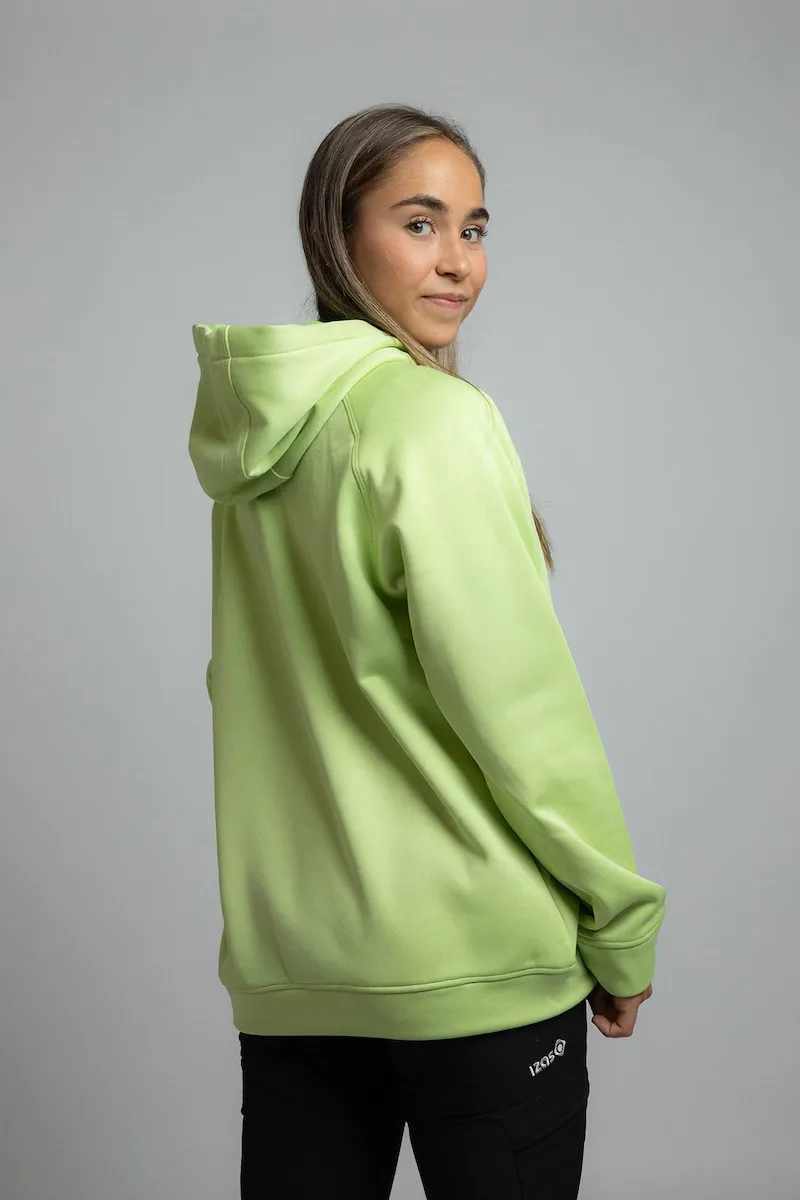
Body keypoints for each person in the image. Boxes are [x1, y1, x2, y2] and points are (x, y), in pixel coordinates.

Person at [188, 102, 667, 1200]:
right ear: (336, 235)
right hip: (476, 972)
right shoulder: (429, 421)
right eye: (419, 223)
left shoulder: (257, 448)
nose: (458, 260)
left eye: (474, 228)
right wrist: (620, 923)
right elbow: (520, 714)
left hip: (300, 975)